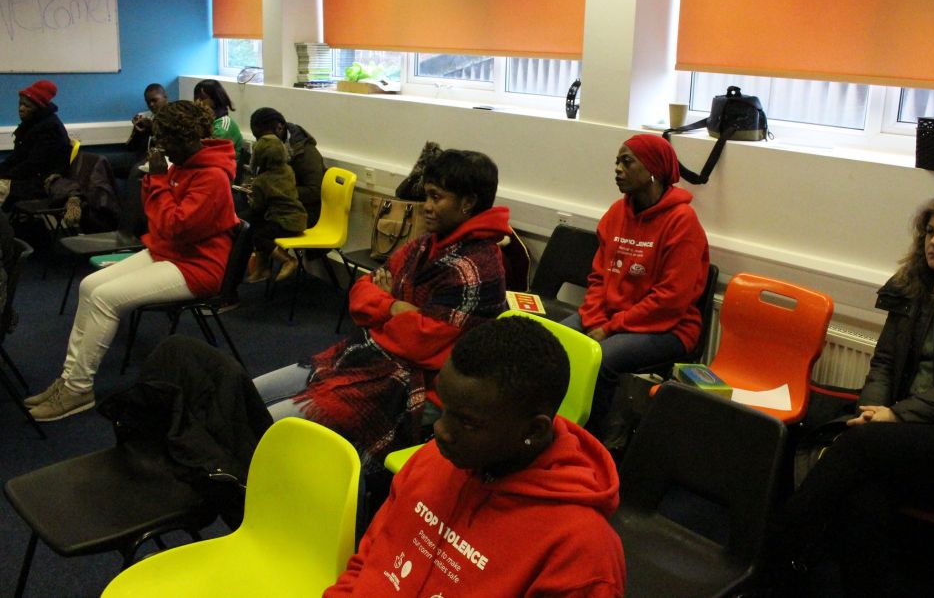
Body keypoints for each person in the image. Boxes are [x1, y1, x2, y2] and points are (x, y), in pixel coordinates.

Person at [776, 191, 934, 595]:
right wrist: (874, 407)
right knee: (863, 495)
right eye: (930, 231)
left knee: (858, 445)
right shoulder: (914, 286)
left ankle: (776, 552)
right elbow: (885, 362)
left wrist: (898, 415)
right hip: (906, 428)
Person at [323, 316, 626, 597]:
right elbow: (368, 561)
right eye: (445, 407)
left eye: (467, 422)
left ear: (534, 430)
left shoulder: (581, 554)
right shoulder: (436, 458)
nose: (440, 430)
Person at [254, 149, 511, 470]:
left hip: (415, 384)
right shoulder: (426, 244)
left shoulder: (477, 268)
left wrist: (381, 313)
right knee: (250, 395)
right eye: (427, 195)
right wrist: (393, 307)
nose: (426, 206)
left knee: (269, 424)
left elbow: (418, 344)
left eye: (436, 197)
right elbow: (360, 291)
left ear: (468, 203)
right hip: (371, 357)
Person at [24, 100, 238, 422]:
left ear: (186, 141)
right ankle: (68, 379)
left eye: (167, 142)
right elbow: (159, 220)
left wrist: (159, 182)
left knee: (105, 299)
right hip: (169, 251)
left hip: (198, 266)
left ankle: (78, 389)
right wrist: (160, 184)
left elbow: (173, 226)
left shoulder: (212, 177)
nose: (163, 149)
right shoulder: (183, 165)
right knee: (90, 285)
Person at [564, 133, 709, 435]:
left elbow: (670, 299)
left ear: (653, 169)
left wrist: (609, 328)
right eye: (617, 162)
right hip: (612, 316)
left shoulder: (682, 221)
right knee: (557, 342)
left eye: (627, 162)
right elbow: (598, 278)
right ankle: (557, 424)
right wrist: (597, 319)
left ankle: (594, 439)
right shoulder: (616, 213)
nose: (618, 169)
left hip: (670, 327)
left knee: (600, 360)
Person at [242, 133, 305, 283]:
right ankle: (262, 269)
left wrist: (251, 198)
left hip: (284, 222)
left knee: (258, 236)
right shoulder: (288, 170)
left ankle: (288, 260)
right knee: (260, 227)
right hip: (299, 218)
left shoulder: (261, 181)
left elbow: (258, 207)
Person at [249, 107, 325, 226]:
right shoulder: (271, 147)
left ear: (279, 128)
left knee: (250, 224)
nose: (259, 141)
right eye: (257, 137)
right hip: (279, 206)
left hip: (303, 211)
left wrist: (273, 192)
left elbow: (314, 191)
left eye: (262, 137)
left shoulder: (305, 151)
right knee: (240, 215)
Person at [1, 79, 71, 209]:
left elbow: (33, 165)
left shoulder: (49, 128)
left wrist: (4, 176)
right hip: (27, 178)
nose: (21, 109)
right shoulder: (31, 124)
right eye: (20, 104)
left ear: (38, 108)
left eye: (27, 106)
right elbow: (16, 158)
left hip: (42, 184)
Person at [193, 79, 244, 177]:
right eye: (196, 98)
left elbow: (207, 155)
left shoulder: (223, 125)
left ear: (215, 99)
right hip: (205, 170)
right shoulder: (199, 120)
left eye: (203, 98)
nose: (198, 102)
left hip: (222, 174)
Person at [116, 83, 168, 178]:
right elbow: (130, 148)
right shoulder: (145, 116)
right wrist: (137, 131)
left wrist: (152, 128)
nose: (151, 105)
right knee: (101, 160)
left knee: (136, 171)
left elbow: (169, 145)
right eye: (148, 102)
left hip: (160, 158)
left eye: (154, 100)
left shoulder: (173, 116)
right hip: (139, 155)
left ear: (165, 97)